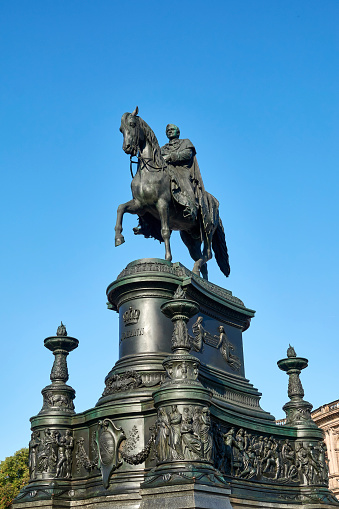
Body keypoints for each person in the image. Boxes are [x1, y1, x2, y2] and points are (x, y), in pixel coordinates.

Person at [161, 124, 212, 232]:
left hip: (182, 170)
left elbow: (187, 154)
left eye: (172, 129)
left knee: (184, 182)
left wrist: (171, 157)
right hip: (167, 170)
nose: (169, 131)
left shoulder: (185, 142)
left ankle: (191, 207)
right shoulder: (163, 148)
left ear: (177, 132)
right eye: (167, 130)